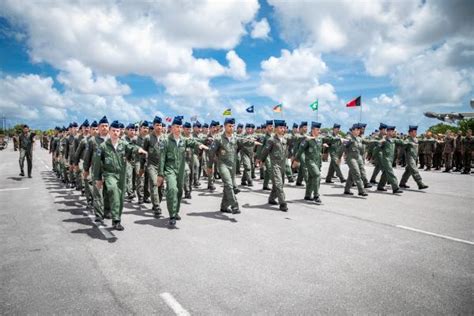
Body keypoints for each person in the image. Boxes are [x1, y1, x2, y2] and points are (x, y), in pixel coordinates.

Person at [93, 120, 148, 230]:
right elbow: (97, 164)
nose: (115, 133)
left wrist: (139, 150)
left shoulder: (123, 144)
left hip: (121, 175)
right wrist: (98, 179)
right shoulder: (103, 146)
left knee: (120, 196)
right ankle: (116, 220)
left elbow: (132, 147)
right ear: (109, 131)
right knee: (114, 191)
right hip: (109, 174)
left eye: (117, 131)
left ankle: (108, 211)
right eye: (113, 130)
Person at [157, 117, 208, 226]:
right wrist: (160, 174)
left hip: (180, 169)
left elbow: (193, 142)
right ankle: (172, 215)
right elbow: (161, 158)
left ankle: (176, 211)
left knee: (179, 191)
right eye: (176, 126)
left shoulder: (184, 140)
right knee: (172, 189)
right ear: (172, 127)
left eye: (180, 127)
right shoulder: (165, 141)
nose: (178, 129)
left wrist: (200, 145)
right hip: (169, 169)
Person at [208, 118, 261, 214]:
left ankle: (224, 206)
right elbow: (211, 152)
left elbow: (244, 141)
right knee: (228, 184)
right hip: (223, 165)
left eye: (233, 126)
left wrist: (253, 142)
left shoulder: (235, 137)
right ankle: (234, 205)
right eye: (229, 126)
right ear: (224, 126)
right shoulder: (218, 138)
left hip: (232, 165)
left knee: (228, 186)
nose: (231, 128)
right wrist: (209, 166)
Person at [258, 120, 289, 212]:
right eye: (280, 127)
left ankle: (272, 198)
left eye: (283, 128)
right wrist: (262, 161)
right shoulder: (271, 140)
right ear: (276, 129)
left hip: (282, 164)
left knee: (280, 184)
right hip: (275, 165)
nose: (282, 129)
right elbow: (265, 151)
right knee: (279, 184)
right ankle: (282, 203)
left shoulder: (285, 139)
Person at [294, 122, 327, 204]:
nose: (318, 131)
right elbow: (300, 150)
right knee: (317, 175)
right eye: (317, 129)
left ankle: (307, 195)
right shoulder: (307, 139)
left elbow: (319, 151)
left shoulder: (320, 139)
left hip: (317, 161)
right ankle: (316, 195)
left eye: (319, 129)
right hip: (309, 161)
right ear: (312, 130)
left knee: (311, 178)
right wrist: (296, 160)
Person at [399, 126, 429, 190]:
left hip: (415, 158)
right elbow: (402, 147)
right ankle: (420, 183)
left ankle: (402, 183)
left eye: (416, 131)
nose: (416, 133)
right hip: (410, 158)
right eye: (414, 132)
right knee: (414, 170)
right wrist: (399, 157)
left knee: (408, 171)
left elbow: (425, 140)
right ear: (410, 133)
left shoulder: (416, 139)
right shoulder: (407, 140)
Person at [377, 126, 404, 194]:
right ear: (388, 132)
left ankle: (380, 186)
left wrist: (398, 135)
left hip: (391, 159)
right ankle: (395, 188)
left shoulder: (393, 140)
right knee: (390, 172)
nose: (393, 132)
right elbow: (378, 146)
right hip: (386, 159)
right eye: (392, 131)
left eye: (394, 131)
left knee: (386, 173)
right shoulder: (384, 140)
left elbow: (402, 142)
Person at [343, 124, 368, 196]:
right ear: (353, 130)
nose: (358, 131)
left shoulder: (359, 138)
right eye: (357, 130)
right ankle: (361, 190)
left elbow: (367, 141)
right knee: (357, 173)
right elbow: (342, 148)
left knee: (351, 174)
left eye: (359, 130)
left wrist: (377, 142)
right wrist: (339, 157)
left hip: (358, 157)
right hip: (351, 158)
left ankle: (347, 190)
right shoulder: (348, 138)